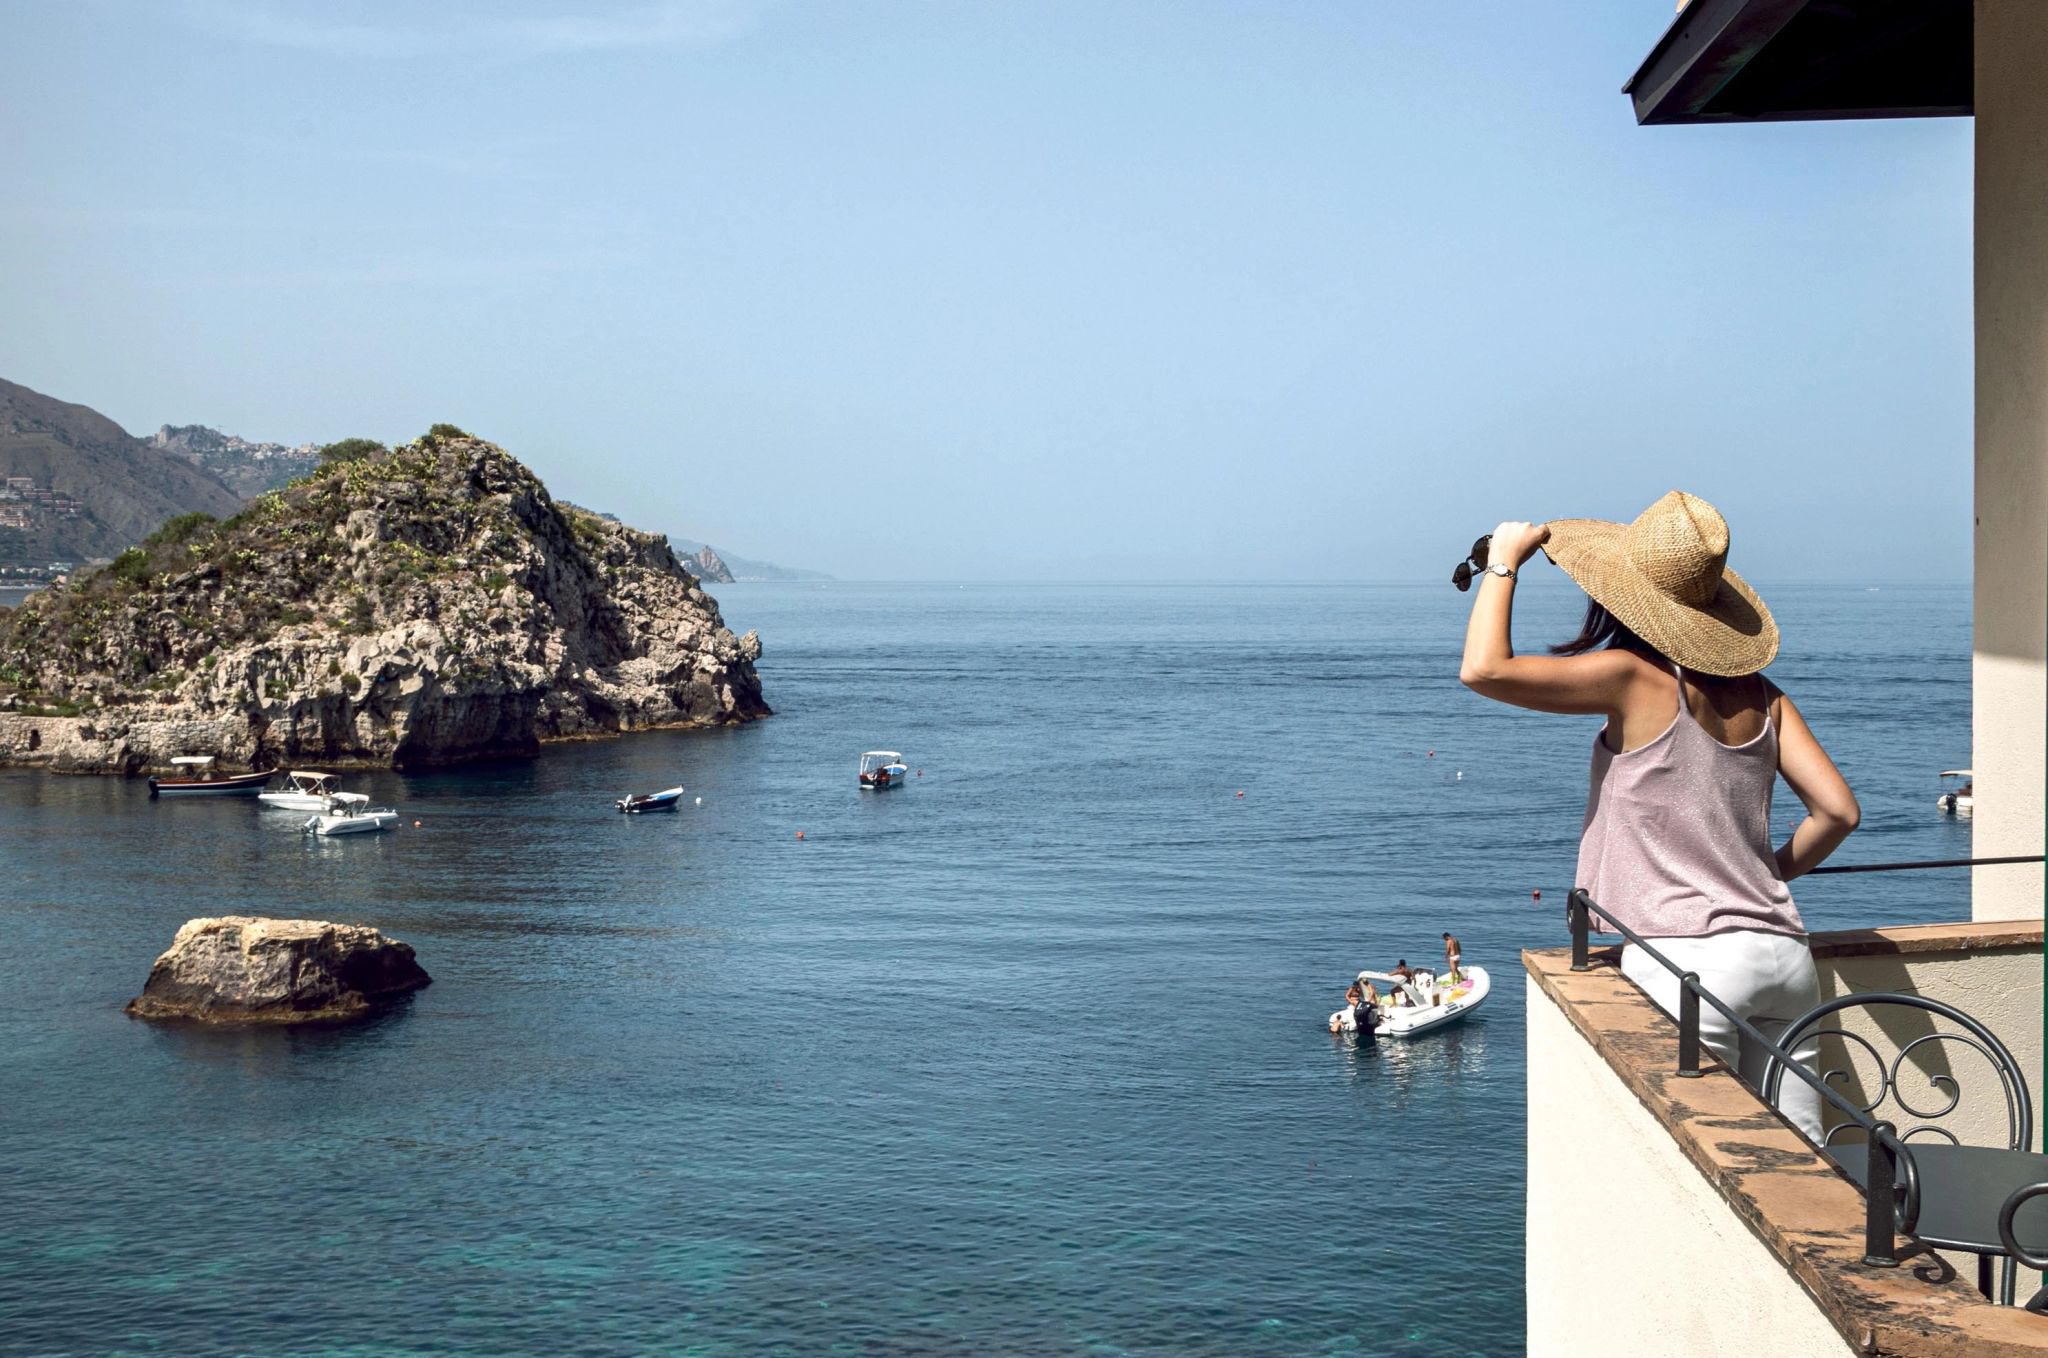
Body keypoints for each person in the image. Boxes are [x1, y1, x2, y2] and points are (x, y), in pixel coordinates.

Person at [1457, 492, 1859, 1145]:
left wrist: (1504, 565)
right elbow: (1839, 812)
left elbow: (1484, 669)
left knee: (1700, 1167)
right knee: (1808, 1164)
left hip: (1687, 965)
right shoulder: (1764, 696)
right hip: (1784, 956)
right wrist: (1765, 875)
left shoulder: (1630, 678)